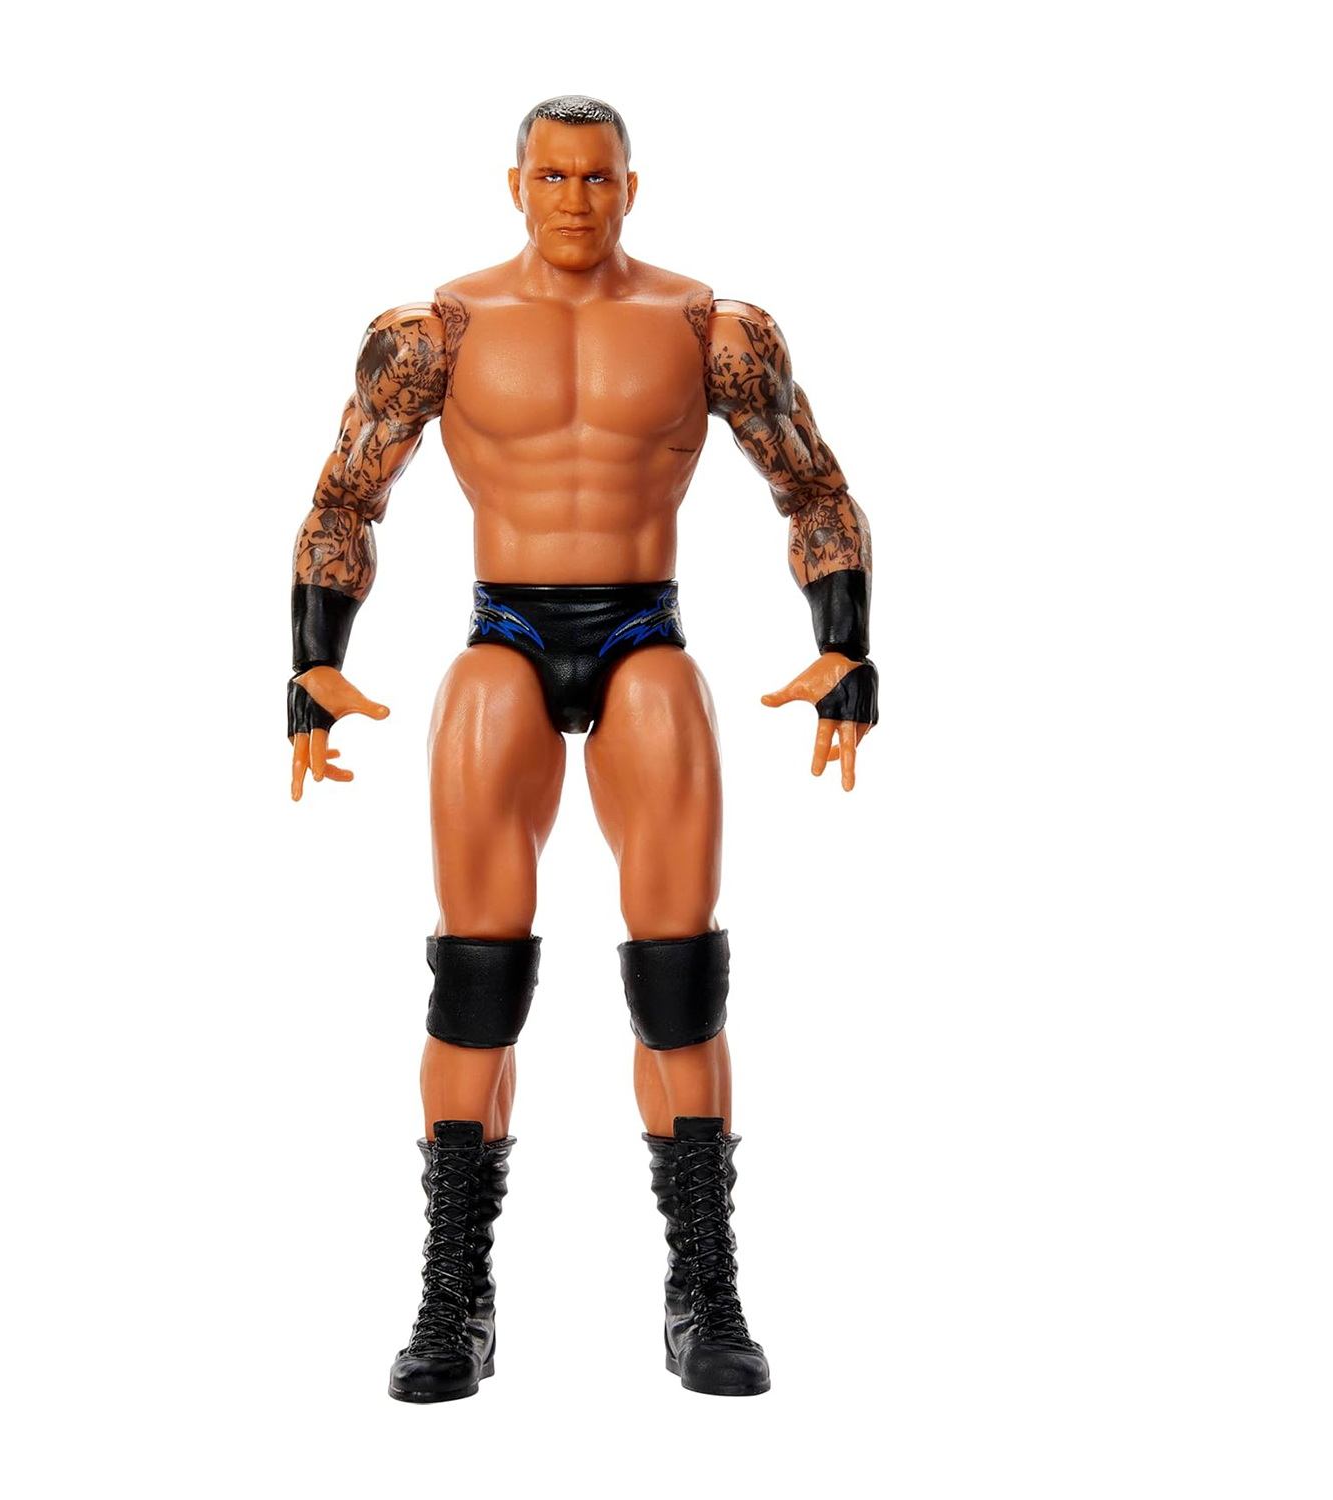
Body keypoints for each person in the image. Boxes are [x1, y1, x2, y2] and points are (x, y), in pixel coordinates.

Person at [286, 95, 878, 1402]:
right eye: (551, 177)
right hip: (504, 631)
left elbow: (812, 486)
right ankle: (453, 1296)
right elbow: (346, 494)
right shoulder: (437, 330)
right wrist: (314, 660)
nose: (574, 198)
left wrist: (844, 642)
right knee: (475, 975)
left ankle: (705, 1292)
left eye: (596, 178)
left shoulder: (707, 326)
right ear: (515, 184)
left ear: (630, 186)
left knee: (679, 974)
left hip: (640, 631)